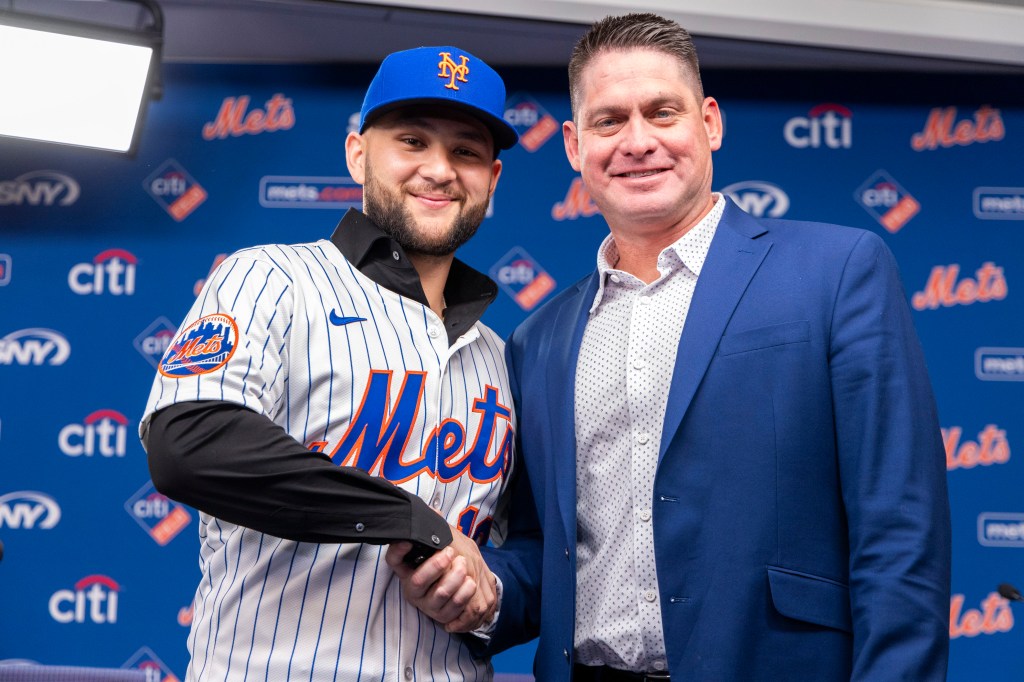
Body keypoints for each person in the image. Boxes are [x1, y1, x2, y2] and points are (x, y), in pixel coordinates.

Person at [391, 12, 952, 681]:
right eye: (609, 121)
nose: (637, 141)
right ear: (573, 145)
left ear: (708, 123)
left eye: (662, 112)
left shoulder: (836, 271)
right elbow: (546, 552)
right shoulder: (539, 339)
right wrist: (482, 592)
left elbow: (900, 530)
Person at [140, 44, 518, 681]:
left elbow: (523, 552)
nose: (440, 169)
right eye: (412, 140)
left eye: (466, 151)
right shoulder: (271, 278)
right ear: (358, 154)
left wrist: (488, 597)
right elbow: (190, 440)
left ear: (492, 180)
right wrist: (411, 521)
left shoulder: (500, 357)